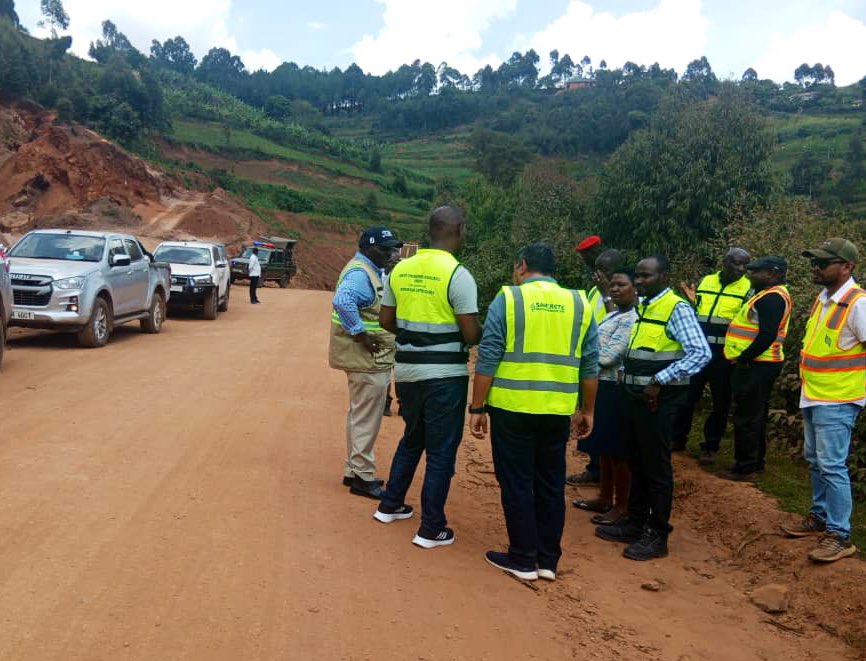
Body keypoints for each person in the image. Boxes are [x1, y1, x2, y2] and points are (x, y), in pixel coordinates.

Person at [468, 242, 598, 581]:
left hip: (513, 408)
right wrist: (587, 410)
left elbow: (489, 355)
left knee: (516, 481)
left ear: (522, 266)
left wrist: (477, 406)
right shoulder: (580, 303)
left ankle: (522, 557)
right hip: (557, 410)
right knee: (551, 483)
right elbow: (590, 364)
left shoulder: (509, 299)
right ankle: (547, 560)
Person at [373, 206, 481, 549]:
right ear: (459, 230)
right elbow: (470, 333)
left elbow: (386, 320)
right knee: (441, 451)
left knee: (412, 437)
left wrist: (413, 334)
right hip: (444, 375)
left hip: (406, 371)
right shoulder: (458, 274)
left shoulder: (401, 269)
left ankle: (390, 505)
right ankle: (431, 528)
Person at [595, 255, 711, 561]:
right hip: (634, 397)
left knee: (656, 467)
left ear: (664, 276)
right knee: (636, 461)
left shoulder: (676, 308)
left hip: (658, 399)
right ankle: (634, 522)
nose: (641, 281)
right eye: (638, 276)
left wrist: (660, 379)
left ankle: (658, 534)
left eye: (646, 276)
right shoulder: (643, 307)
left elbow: (700, 353)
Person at [782, 238, 865, 563]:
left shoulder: (857, 304)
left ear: (847, 267)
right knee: (816, 461)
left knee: (831, 465)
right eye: (814, 262)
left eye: (823, 263)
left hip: (839, 398)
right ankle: (819, 517)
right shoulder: (825, 299)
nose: (815, 268)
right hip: (814, 394)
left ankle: (840, 535)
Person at [330, 227, 403, 498]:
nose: (390, 253)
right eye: (385, 249)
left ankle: (354, 470)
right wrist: (362, 334)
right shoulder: (362, 273)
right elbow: (343, 301)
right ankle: (363, 476)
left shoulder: (366, 269)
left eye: (393, 248)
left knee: (360, 414)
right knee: (367, 418)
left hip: (364, 359)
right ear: (369, 247)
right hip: (366, 358)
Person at [673, 248, 752, 463]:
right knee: (687, 397)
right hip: (697, 351)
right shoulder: (706, 281)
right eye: (736, 263)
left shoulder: (748, 288)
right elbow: (699, 310)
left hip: (724, 354)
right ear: (724, 262)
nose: (741, 269)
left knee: (720, 402)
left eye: (745, 265)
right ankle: (677, 439)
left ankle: (710, 446)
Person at [572, 267, 638, 524]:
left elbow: (610, 356)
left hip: (615, 388)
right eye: (613, 285)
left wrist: (582, 356)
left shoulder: (631, 319)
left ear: (635, 290)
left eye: (622, 285)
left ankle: (622, 506)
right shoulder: (616, 315)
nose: (615, 289)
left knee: (617, 449)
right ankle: (604, 498)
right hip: (602, 385)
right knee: (605, 449)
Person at [719, 256, 792, 482]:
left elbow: (767, 334)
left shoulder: (772, 298)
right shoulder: (768, 295)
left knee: (747, 416)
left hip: (758, 364)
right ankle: (755, 462)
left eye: (755, 271)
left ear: (772, 273)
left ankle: (745, 467)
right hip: (760, 363)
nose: (749, 275)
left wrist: (744, 358)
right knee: (754, 414)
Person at [568, 237, 616, 487]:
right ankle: (594, 467)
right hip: (591, 364)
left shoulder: (619, 292)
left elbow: (619, 319)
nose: (598, 273)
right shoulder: (593, 292)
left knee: (600, 420)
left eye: (603, 269)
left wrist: (607, 293)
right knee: (589, 414)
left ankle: (599, 472)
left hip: (609, 368)